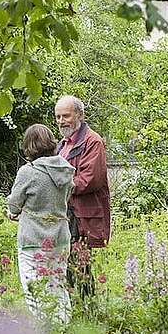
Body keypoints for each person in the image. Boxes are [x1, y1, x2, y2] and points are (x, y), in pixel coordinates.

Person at [6, 124, 75, 323]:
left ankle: (43, 333)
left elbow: (14, 202)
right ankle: (62, 330)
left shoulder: (28, 171)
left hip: (33, 240)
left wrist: (12, 213)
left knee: (34, 288)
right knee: (58, 285)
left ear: (28, 146)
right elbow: (67, 196)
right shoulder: (65, 168)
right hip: (61, 238)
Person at [54, 95, 111, 298]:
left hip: (82, 214)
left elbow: (89, 180)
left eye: (66, 116)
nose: (61, 121)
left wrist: (57, 187)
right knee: (66, 263)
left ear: (80, 115)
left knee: (80, 264)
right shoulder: (63, 144)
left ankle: (87, 312)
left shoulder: (92, 142)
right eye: (58, 116)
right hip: (65, 213)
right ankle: (71, 310)